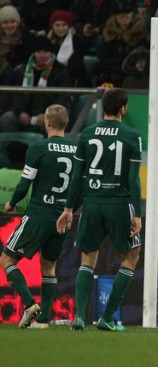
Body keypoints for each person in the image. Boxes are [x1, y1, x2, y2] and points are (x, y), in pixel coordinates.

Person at [56, 88, 143, 332]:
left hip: (92, 204)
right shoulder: (132, 135)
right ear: (123, 108)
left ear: (104, 107)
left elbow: (77, 177)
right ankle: (106, 318)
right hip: (119, 204)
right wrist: (136, 213)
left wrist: (68, 208)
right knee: (131, 256)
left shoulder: (86, 134)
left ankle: (80, 317)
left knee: (88, 257)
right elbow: (133, 179)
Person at [0, 104, 76, 329]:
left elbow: (25, 183)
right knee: (49, 266)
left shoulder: (38, 148)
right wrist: (69, 210)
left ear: (47, 122)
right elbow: (80, 188)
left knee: (7, 260)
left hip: (39, 214)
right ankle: (43, 320)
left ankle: (29, 305)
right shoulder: (75, 150)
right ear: (66, 123)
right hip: (62, 216)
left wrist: (12, 203)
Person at [0, 35, 72, 133]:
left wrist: (47, 115)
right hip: (27, 113)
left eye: (45, 52)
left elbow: (63, 98)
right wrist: (21, 112)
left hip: (50, 113)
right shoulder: (21, 71)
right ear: (33, 53)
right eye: (38, 52)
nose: (42, 55)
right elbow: (16, 96)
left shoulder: (61, 72)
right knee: (7, 118)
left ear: (51, 53)